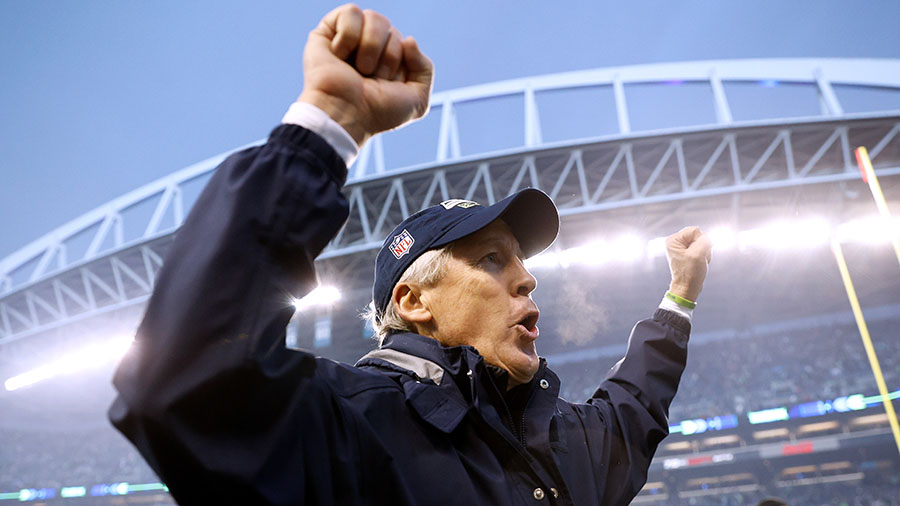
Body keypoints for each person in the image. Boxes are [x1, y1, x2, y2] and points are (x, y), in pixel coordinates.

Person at [109, 4, 712, 505]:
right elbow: (187, 375)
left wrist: (679, 299)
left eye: (521, 263)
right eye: (492, 261)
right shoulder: (350, 427)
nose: (527, 280)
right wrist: (328, 126)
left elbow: (635, 406)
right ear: (413, 301)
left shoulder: (563, 440)